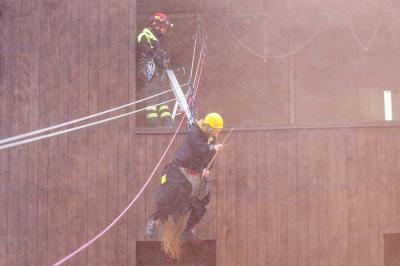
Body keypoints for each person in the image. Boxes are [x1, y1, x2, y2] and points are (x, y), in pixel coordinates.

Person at [145, 112, 225, 240]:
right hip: (180, 170)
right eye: (216, 130)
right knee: (170, 197)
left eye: (219, 131)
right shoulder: (194, 131)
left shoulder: (211, 138)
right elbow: (199, 148)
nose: (217, 133)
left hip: (196, 172)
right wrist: (212, 147)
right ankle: (154, 219)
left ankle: (188, 230)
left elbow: (209, 157)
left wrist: (207, 169)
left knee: (202, 201)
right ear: (209, 127)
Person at [137, 12, 176, 127]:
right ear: (156, 25)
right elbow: (147, 53)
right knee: (152, 97)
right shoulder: (145, 36)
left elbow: (159, 57)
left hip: (156, 72)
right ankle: (153, 123)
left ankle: (167, 121)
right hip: (148, 70)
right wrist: (157, 56)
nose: (165, 30)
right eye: (163, 27)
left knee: (162, 96)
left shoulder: (156, 39)